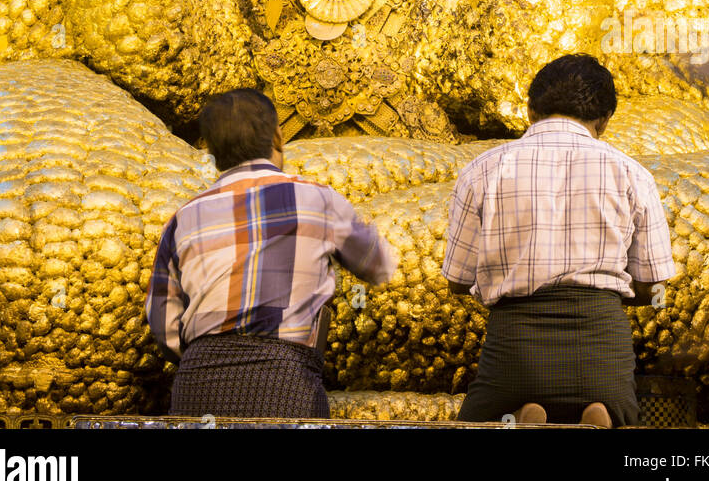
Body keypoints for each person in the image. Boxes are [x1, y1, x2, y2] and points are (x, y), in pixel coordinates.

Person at [443, 54, 675, 427]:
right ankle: (598, 412)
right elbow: (652, 284)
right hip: (601, 348)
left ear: (531, 110)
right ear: (604, 120)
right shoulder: (633, 174)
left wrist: (500, 284)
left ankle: (519, 415)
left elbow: (457, 280)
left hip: (514, 349)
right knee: (620, 419)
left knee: (479, 423)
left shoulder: (482, 170)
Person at [146, 87, 396, 419]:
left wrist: (210, 354)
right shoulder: (318, 200)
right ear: (278, 137)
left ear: (212, 152)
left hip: (197, 387)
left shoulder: (182, 218)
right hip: (284, 383)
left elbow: (163, 325)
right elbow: (378, 265)